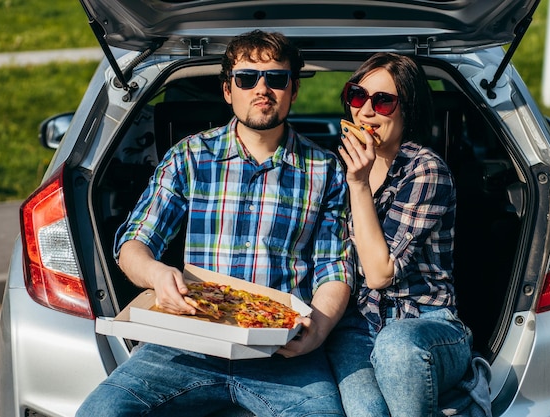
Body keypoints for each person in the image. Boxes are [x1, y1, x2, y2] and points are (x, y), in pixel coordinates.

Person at [77, 30, 353, 417]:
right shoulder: (190, 156)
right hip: (185, 342)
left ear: (293, 90)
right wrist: (157, 275)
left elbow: (334, 267)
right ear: (227, 90)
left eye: (276, 78)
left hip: (281, 352)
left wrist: (317, 331)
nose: (262, 89)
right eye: (246, 78)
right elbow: (134, 244)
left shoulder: (325, 170)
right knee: (100, 412)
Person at [326, 53, 478, 417]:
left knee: (396, 345)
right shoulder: (336, 169)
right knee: (366, 410)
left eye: (384, 101)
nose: (366, 112)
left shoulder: (426, 170)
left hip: (426, 324)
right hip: (357, 326)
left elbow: (380, 275)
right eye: (358, 96)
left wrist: (359, 184)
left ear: (407, 110)